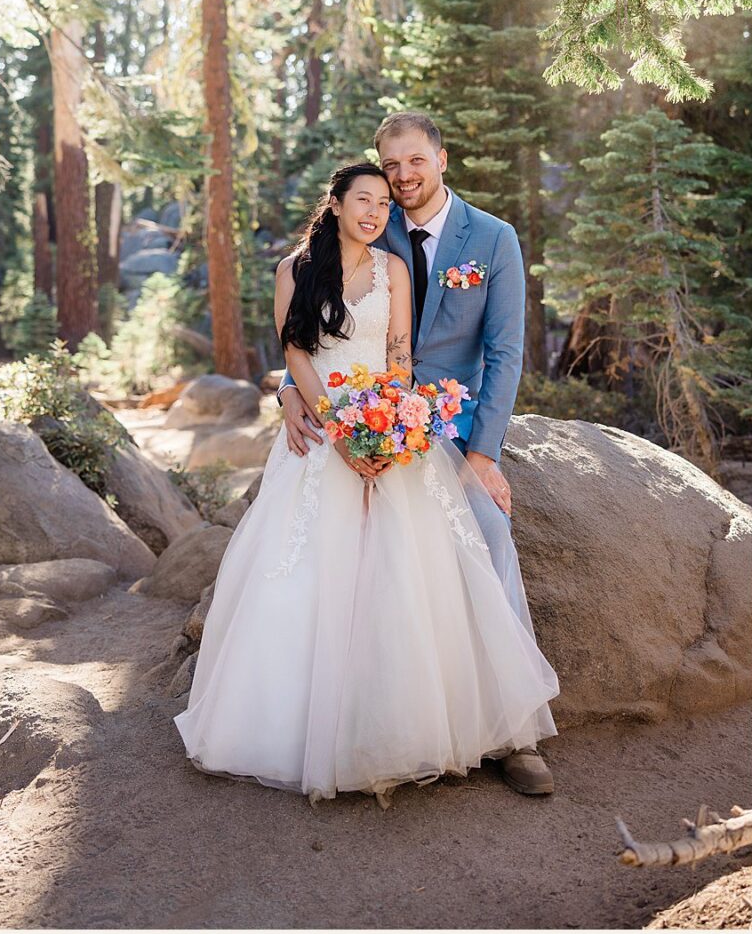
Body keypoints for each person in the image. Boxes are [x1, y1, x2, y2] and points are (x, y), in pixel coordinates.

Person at [176, 162, 559, 806]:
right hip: (324, 434)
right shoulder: (295, 271)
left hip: (388, 427)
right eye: (365, 199)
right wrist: (333, 424)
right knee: (310, 568)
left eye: (385, 202)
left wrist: (388, 430)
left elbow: (399, 357)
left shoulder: (396, 270)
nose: (377, 211)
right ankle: (303, 725)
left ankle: (485, 727)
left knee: (424, 563)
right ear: (337, 202)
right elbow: (295, 352)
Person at [277, 112, 557, 797]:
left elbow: (504, 351)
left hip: (450, 428)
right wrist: (291, 390)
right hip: (359, 415)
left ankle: (514, 733)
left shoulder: (492, 238)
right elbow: (317, 319)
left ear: (441, 158)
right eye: (389, 165)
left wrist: (484, 454)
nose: (400, 177)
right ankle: (355, 716)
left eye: (413, 162)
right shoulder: (374, 223)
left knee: (487, 534)